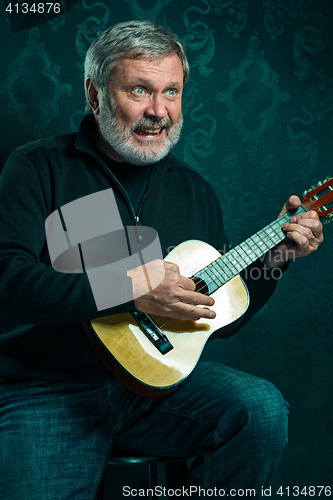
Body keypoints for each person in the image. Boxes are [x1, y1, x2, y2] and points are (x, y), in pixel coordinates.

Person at [0, 20, 323, 499]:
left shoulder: (196, 192)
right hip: (45, 390)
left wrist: (276, 259)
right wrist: (129, 286)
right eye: (139, 90)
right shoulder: (37, 168)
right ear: (94, 93)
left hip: (155, 394)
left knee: (260, 407)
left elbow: (212, 316)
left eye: (171, 92)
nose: (158, 111)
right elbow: (8, 282)